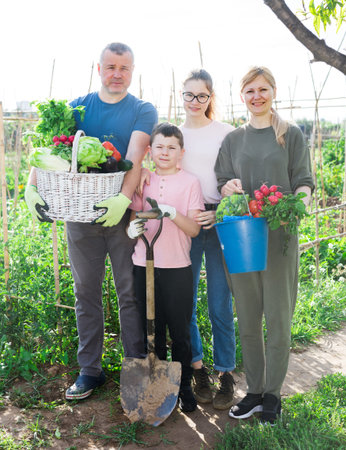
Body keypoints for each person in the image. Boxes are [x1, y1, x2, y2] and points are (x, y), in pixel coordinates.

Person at [25, 42, 158, 400]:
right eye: (111, 66)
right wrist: (31, 187)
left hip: (121, 217)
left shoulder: (142, 110)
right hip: (79, 214)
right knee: (86, 292)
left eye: (125, 68)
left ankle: (135, 366)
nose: (117, 74)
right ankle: (90, 371)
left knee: (128, 292)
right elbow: (50, 150)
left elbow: (135, 156)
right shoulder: (77, 108)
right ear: (99, 68)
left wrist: (122, 199)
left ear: (133, 71)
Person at [215, 66, 314, 425]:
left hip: (280, 236)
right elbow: (222, 181)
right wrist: (227, 188)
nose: (257, 96)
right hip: (242, 235)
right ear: (242, 96)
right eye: (250, 90)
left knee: (278, 316)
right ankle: (253, 391)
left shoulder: (291, 135)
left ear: (273, 92)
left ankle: (273, 394)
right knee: (248, 316)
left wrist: (297, 206)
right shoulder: (233, 140)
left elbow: (304, 182)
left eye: (263, 89)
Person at [127, 122, 204, 412]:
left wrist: (172, 213)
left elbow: (194, 230)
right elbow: (133, 220)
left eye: (171, 147)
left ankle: (183, 385)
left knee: (179, 330)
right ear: (150, 151)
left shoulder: (190, 183)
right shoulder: (142, 180)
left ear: (181, 152)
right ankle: (159, 384)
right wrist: (131, 230)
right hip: (142, 264)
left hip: (176, 266)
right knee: (153, 328)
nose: (165, 152)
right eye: (159, 146)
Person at [180, 70, 237, 410]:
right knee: (184, 303)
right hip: (185, 222)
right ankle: (198, 367)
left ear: (210, 98)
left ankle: (226, 373)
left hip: (219, 221)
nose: (195, 102)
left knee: (219, 303)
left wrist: (219, 210)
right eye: (189, 95)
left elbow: (237, 178)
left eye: (202, 96)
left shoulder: (225, 133)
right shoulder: (175, 134)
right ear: (181, 96)